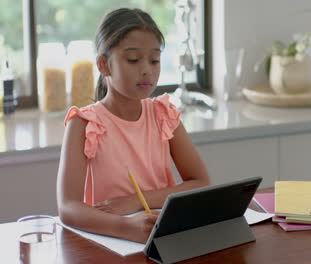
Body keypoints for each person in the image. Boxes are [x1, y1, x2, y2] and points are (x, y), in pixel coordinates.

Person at [56, 8, 210, 244]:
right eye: (133, 60)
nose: (147, 69)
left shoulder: (164, 114)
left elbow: (201, 183)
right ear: (104, 65)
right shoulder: (84, 124)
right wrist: (126, 226)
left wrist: (137, 201)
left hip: (159, 238)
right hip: (110, 242)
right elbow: (68, 208)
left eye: (155, 60)